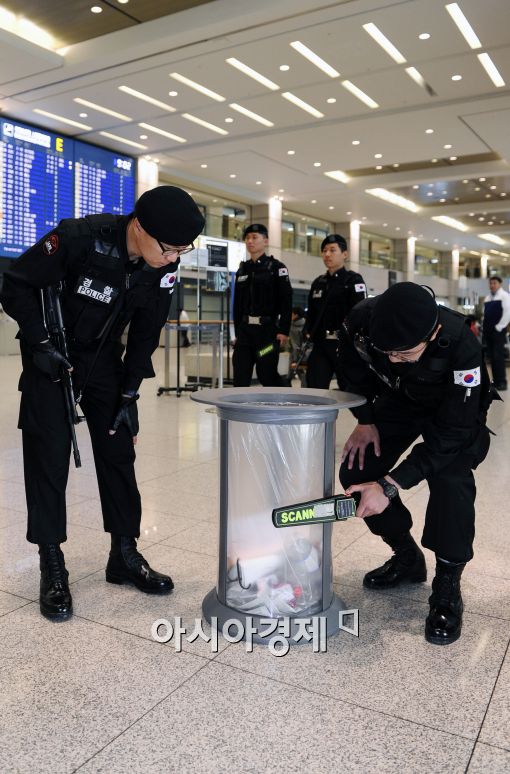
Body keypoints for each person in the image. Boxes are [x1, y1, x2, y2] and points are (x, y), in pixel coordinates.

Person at [0, 185, 205, 621]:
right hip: (51, 352)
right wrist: (38, 343)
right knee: (49, 455)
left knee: (117, 450)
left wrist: (130, 392)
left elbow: (148, 332)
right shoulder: (78, 238)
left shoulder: (162, 268)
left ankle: (124, 554)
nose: (173, 258)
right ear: (140, 228)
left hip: (103, 360)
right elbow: (14, 284)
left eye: (182, 251)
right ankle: (51, 563)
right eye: (169, 249)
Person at [337, 283, 495, 646]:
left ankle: (447, 586)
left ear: (433, 333)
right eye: (386, 351)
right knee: (358, 470)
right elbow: (348, 368)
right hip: (400, 402)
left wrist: (390, 485)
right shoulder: (360, 319)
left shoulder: (461, 343)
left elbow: (452, 432)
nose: (393, 359)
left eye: (404, 352)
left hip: (453, 412)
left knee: (451, 481)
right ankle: (406, 557)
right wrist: (364, 419)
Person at [232, 224, 292, 386]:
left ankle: (285, 399)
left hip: (267, 336)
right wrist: (237, 332)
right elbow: (237, 304)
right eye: (247, 238)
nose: (250, 241)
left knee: (266, 374)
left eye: (254, 237)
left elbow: (286, 301)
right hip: (245, 335)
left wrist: (283, 331)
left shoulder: (276, 268)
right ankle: (240, 410)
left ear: (265, 241)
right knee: (240, 374)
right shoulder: (242, 270)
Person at [305, 234, 366, 389]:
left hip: (343, 345)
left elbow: (359, 314)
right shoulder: (318, 283)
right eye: (324, 250)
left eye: (332, 250)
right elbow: (311, 313)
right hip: (321, 344)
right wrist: (307, 331)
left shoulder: (353, 280)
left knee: (351, 390)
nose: (327, 254)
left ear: (345, 254)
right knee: (315, 389)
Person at [482, 275, 510, 391]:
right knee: (491, 358)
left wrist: (499, 327)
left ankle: (502, 382)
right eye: (491, 283)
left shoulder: (504, 296)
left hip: (498, 331)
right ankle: (495, 381)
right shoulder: (488, 297)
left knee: (498, 357)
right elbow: (485, 315)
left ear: (500, 284)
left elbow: (508, 313)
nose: (492, 285)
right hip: (488, 331)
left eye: (494, 283)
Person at [287, 306, 307, 385]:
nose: (290, 315)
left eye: (292, 313)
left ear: (296, 315)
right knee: (299, 374)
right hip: (295, 354)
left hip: (299, 355)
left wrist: (296, 359)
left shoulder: (298, 327)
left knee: (300, 374)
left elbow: (298, 344)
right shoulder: (294, 324)